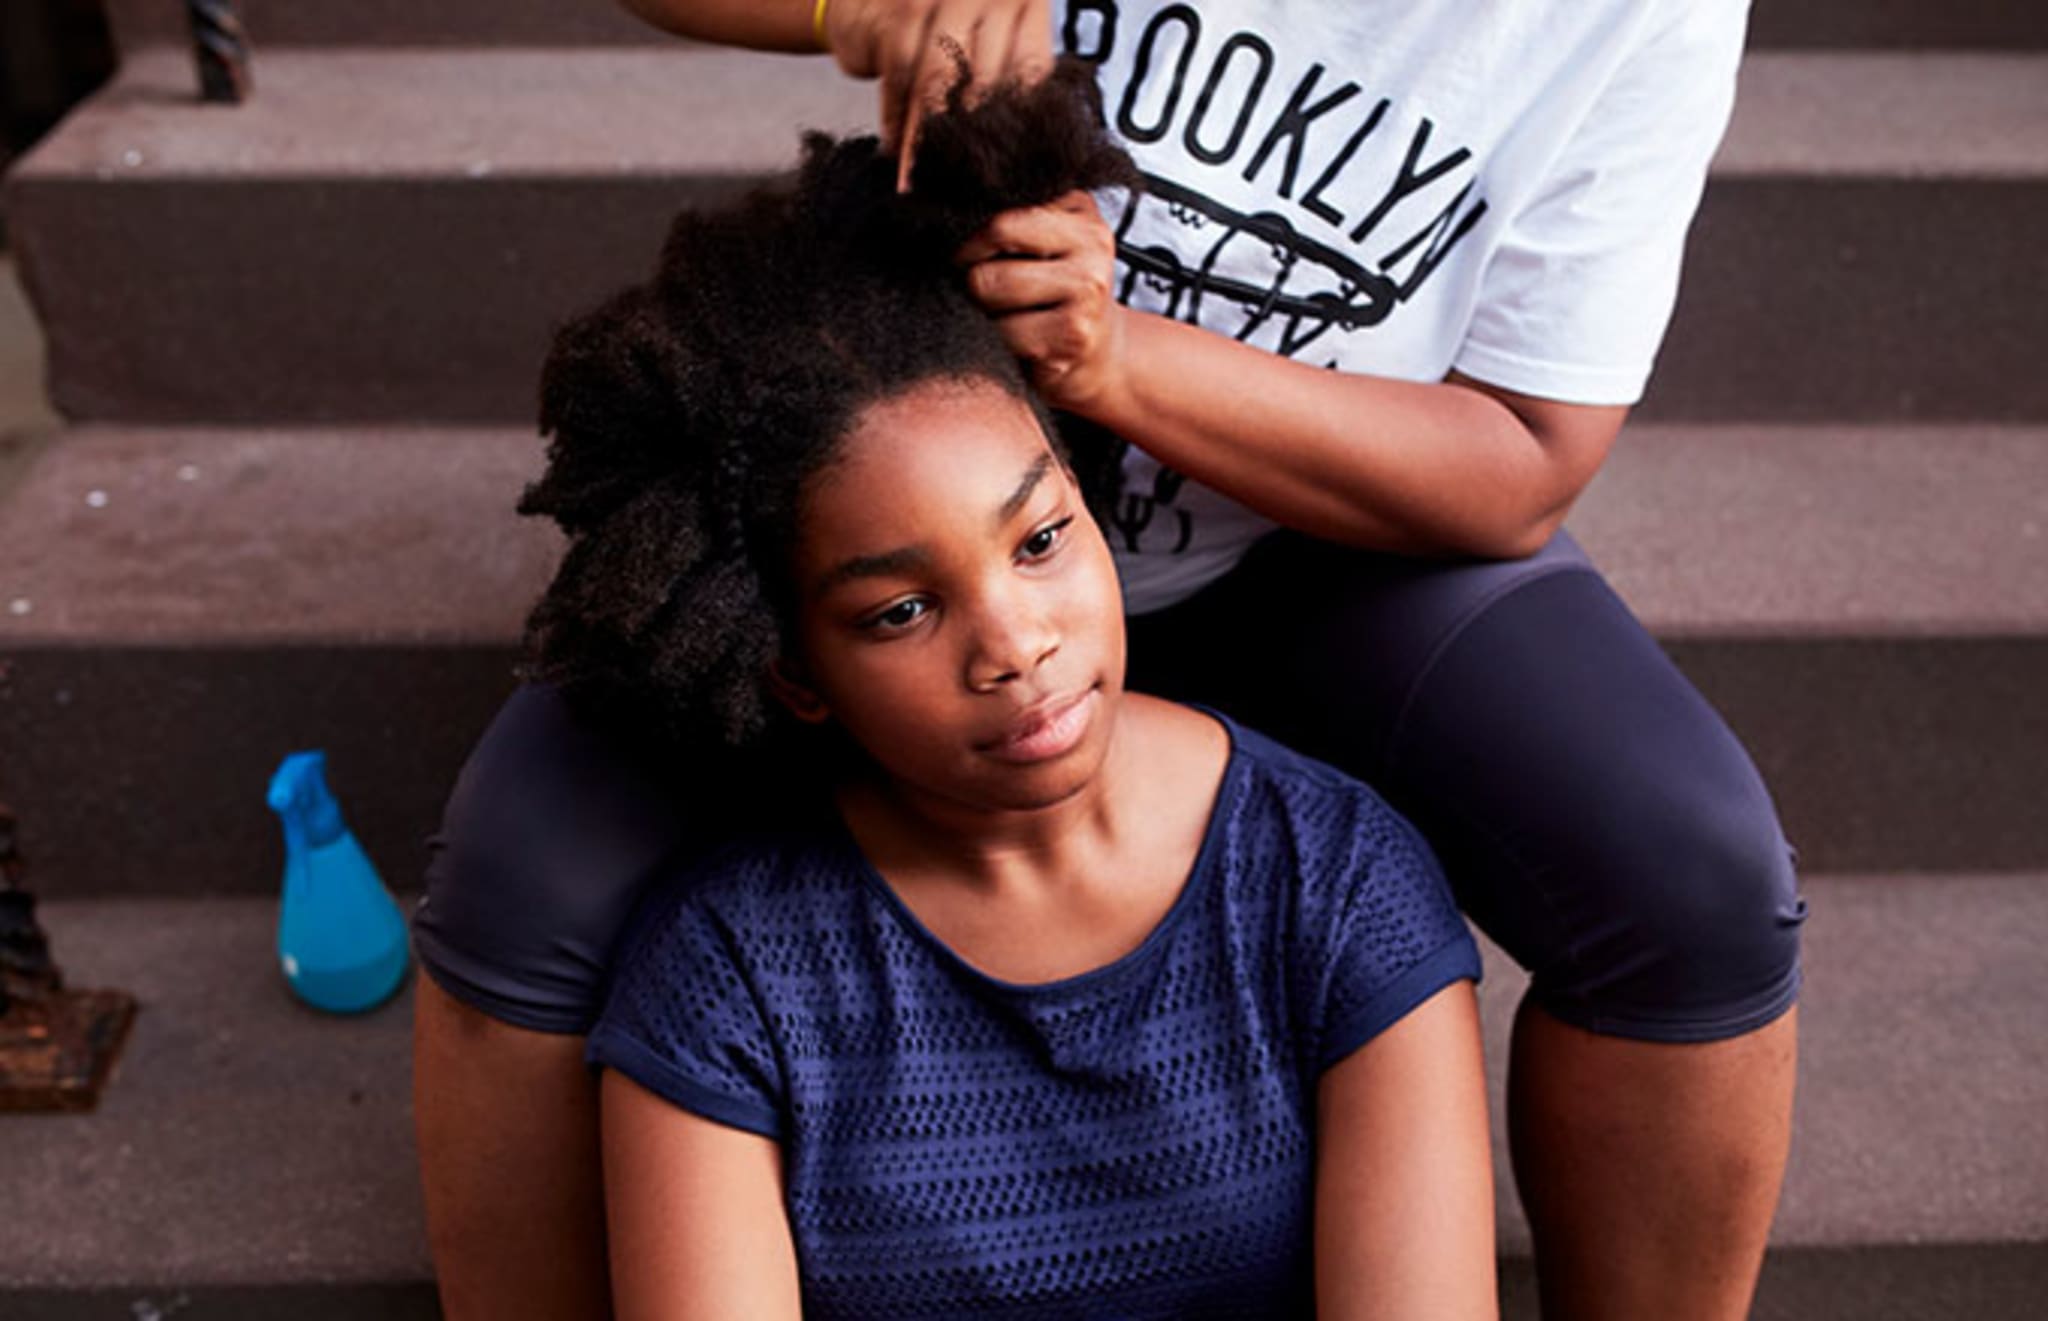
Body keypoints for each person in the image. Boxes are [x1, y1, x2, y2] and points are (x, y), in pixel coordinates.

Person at [414, 3, 1806, 1319]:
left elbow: (1522, 459)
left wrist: (1122, 363)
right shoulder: (730, 958)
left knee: (1694, 879)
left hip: (1309, 541)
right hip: (928, 509)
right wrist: (870, 5)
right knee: (523, 873)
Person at [495, 69, 1494, 1316]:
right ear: (795, 672)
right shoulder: (731, 975)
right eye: (900, 611)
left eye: (1039, 541)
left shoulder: (1333, 882)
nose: (1015, 645)